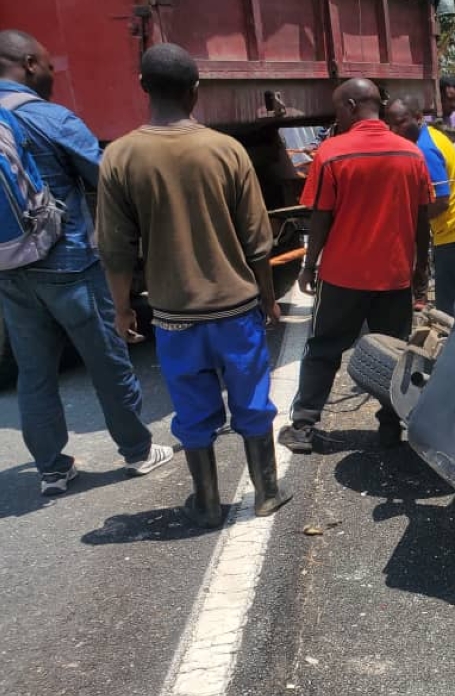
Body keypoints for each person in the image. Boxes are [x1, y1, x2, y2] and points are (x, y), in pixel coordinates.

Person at [96, 44, 287, 526]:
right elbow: (257, 241)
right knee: (251, 399)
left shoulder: (119, 157)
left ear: (143, 87)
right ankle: (266, 492)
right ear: (195, 91)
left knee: (192, 409)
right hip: (235, 310)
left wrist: (121, 310)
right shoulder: (226, 150)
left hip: (175, 315)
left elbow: (116, 250)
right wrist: (267, 298)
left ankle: (204, 503)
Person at [0, 30, 173, 496]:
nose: (52, 76)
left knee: (34, 371)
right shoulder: (49, 117)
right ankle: (137, 451)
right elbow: (109, 180)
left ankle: (52, 469)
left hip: (8, 268)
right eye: (49, 66)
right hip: (69, 261)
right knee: (106, 359)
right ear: (31, 63)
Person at [278, 80, 433, 454]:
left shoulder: (332, 153)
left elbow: (321, 218)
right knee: (396, 351)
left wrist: (308, 266)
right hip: (394, 276)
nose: (337, 117)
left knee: (323, 348)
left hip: (342, 277)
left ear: (351, 105)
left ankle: (304, 425)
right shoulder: (411, 154)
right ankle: (390, 429)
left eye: (338, 110)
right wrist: (420, 271)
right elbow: (422, 219)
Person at [386, 95, 455, 314]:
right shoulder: (431, 135)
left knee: (450, 310)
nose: (394, 130)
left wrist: (408, 218)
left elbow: (441, 201)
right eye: (390, 124)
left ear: (418, 117)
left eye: (401, 122)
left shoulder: (424, 149)